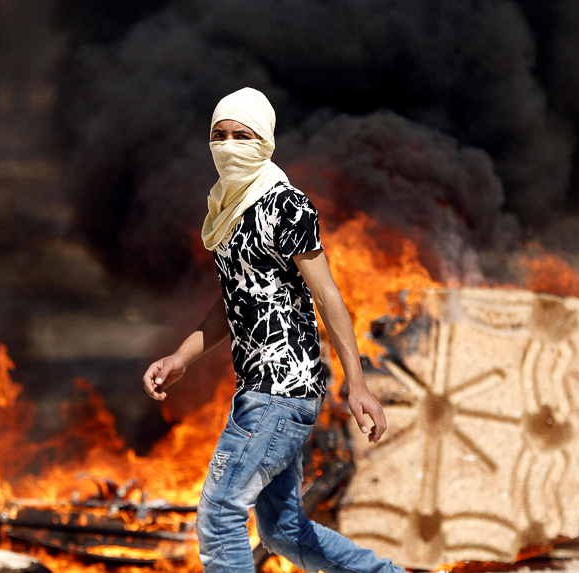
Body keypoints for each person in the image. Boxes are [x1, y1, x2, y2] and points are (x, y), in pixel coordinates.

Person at [142, 88, 404, 573]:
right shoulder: (228, 209)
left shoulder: (284, 205)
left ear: (263, 143)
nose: (227, 146)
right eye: (219, 136)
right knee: (283, 530)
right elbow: (236, 301)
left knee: (219, 516)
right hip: (260, 392)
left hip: (280, 391)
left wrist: (358, 383)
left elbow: (328, 296)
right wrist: (181, 357)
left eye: (242, 137)